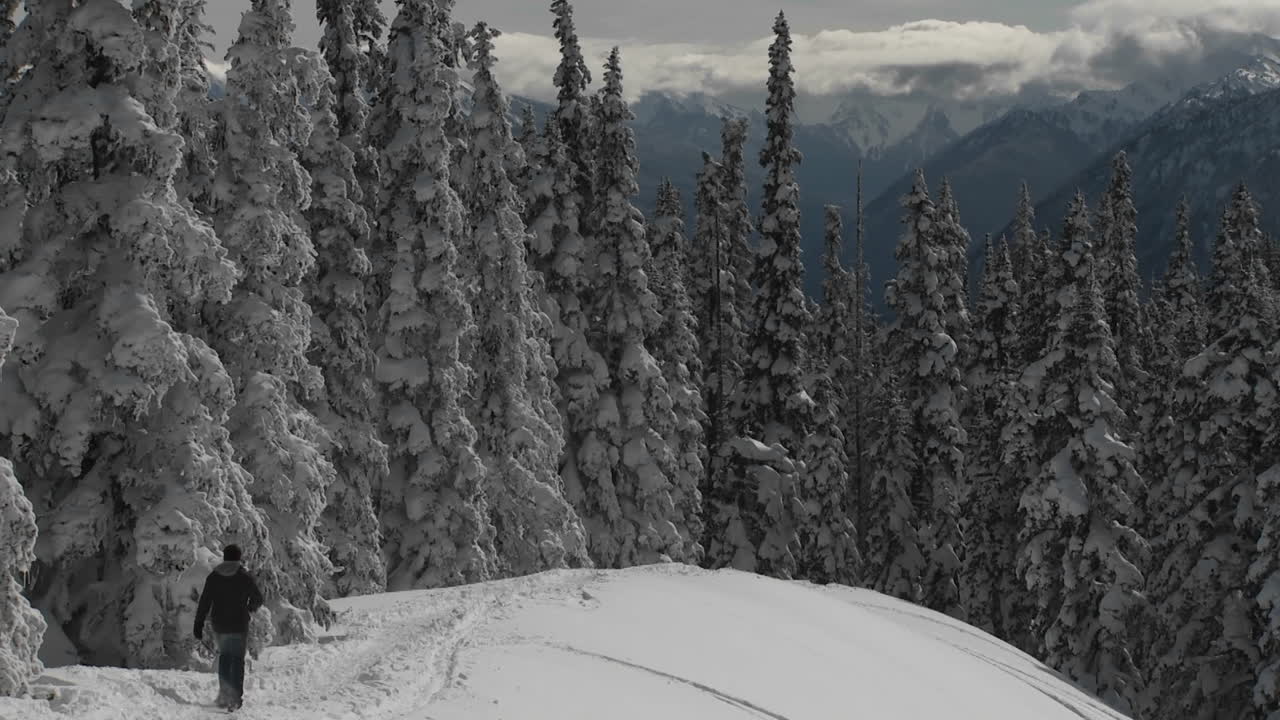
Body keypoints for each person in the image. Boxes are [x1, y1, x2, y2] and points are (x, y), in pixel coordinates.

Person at [194, 544, 264, 710]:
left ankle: (225, 696)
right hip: (239, 623)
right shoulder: (244, 577)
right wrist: (249, 608)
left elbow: (204, 602)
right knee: (237, 660)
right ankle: (235, 698)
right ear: (239, 557)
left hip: (220, 624)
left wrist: (198, 623)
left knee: (225, 658)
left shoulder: (214, 577)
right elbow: (258, 598)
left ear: (224, 557)